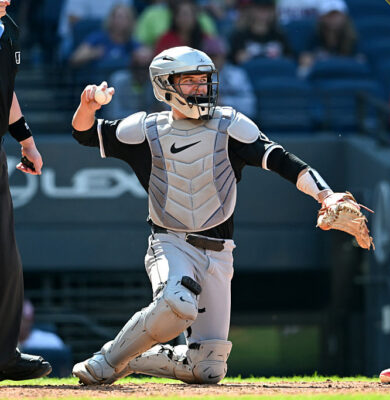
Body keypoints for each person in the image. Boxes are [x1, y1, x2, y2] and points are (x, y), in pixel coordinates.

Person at [71, 45, 372, 385]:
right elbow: (84, 134)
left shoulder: (229, 126)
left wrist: (326, 195)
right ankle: (106, 361)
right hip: (170, 242)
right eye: (189, 81)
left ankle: (133, 357)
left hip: (219, 251)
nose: (200, 88)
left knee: (207, 369)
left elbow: (283, 161)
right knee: (177, 302)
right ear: (164, 85)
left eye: (204, 80)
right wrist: (87, 106)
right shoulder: (144, 130)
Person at [0, 0, 51, 381]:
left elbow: (7, 88)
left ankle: (3, 354)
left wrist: (25, 139)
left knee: (5, 258)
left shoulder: (8, 28)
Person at [229, 0, 293, 65]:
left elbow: (290, 58)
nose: (263, 13)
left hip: (275, 72)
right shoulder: (240, 36)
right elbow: (231, 60)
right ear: (251, 10)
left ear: (273, 11)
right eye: (259, 9)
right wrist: (238, 58)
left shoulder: (280, 35)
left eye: (267, 9)